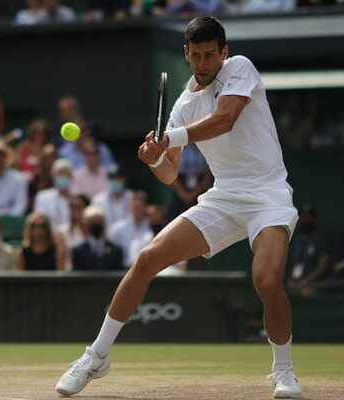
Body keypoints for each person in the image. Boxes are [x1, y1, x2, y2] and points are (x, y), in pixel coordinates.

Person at [56, 17, 302, 398]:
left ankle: (283, 371)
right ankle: (95, 357)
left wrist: (170, 137)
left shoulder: (240, 69)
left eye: (210, 55)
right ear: (186, 54)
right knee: (147, 259)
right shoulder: (185, 104)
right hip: (224, 198)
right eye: (196, 55)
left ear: (225, 52)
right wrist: (154, 158)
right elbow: (170, 173)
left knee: (267, 280)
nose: (203, 63)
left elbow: (225, 119)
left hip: (268, 195)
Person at [166, 143, 213, 220]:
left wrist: (196, 192)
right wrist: (182, 193)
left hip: (200, 188)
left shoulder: (206, 145)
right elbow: (169, 170)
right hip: (179, 189)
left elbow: (209, 171)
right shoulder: (176, 145)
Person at [108, 191, 153, 267]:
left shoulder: (151, 228)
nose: (137, 207)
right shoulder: (117, 229)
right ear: (130, 206)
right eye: (135, 205)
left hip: (146, 268)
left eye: (140, 205)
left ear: (145, 206)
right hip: (121, 270)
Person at [71, 206, 123, 272]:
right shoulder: (78, 251)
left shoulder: (116, 251)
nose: (96, 224)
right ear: (86, 224)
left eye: (98, 221)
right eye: (92, 222)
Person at [34, 158, 73, 228]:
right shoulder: (42, 197)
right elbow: (40, 220)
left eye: (65, 174)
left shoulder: (76, 198)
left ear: (71, 176)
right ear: (53, 176)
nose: (62, 176)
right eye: (59, 174)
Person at [59, 194, 90, 270]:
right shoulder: (61, 232)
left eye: (78, 207)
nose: (74, 211)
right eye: (71, 207)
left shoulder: (93, 230)